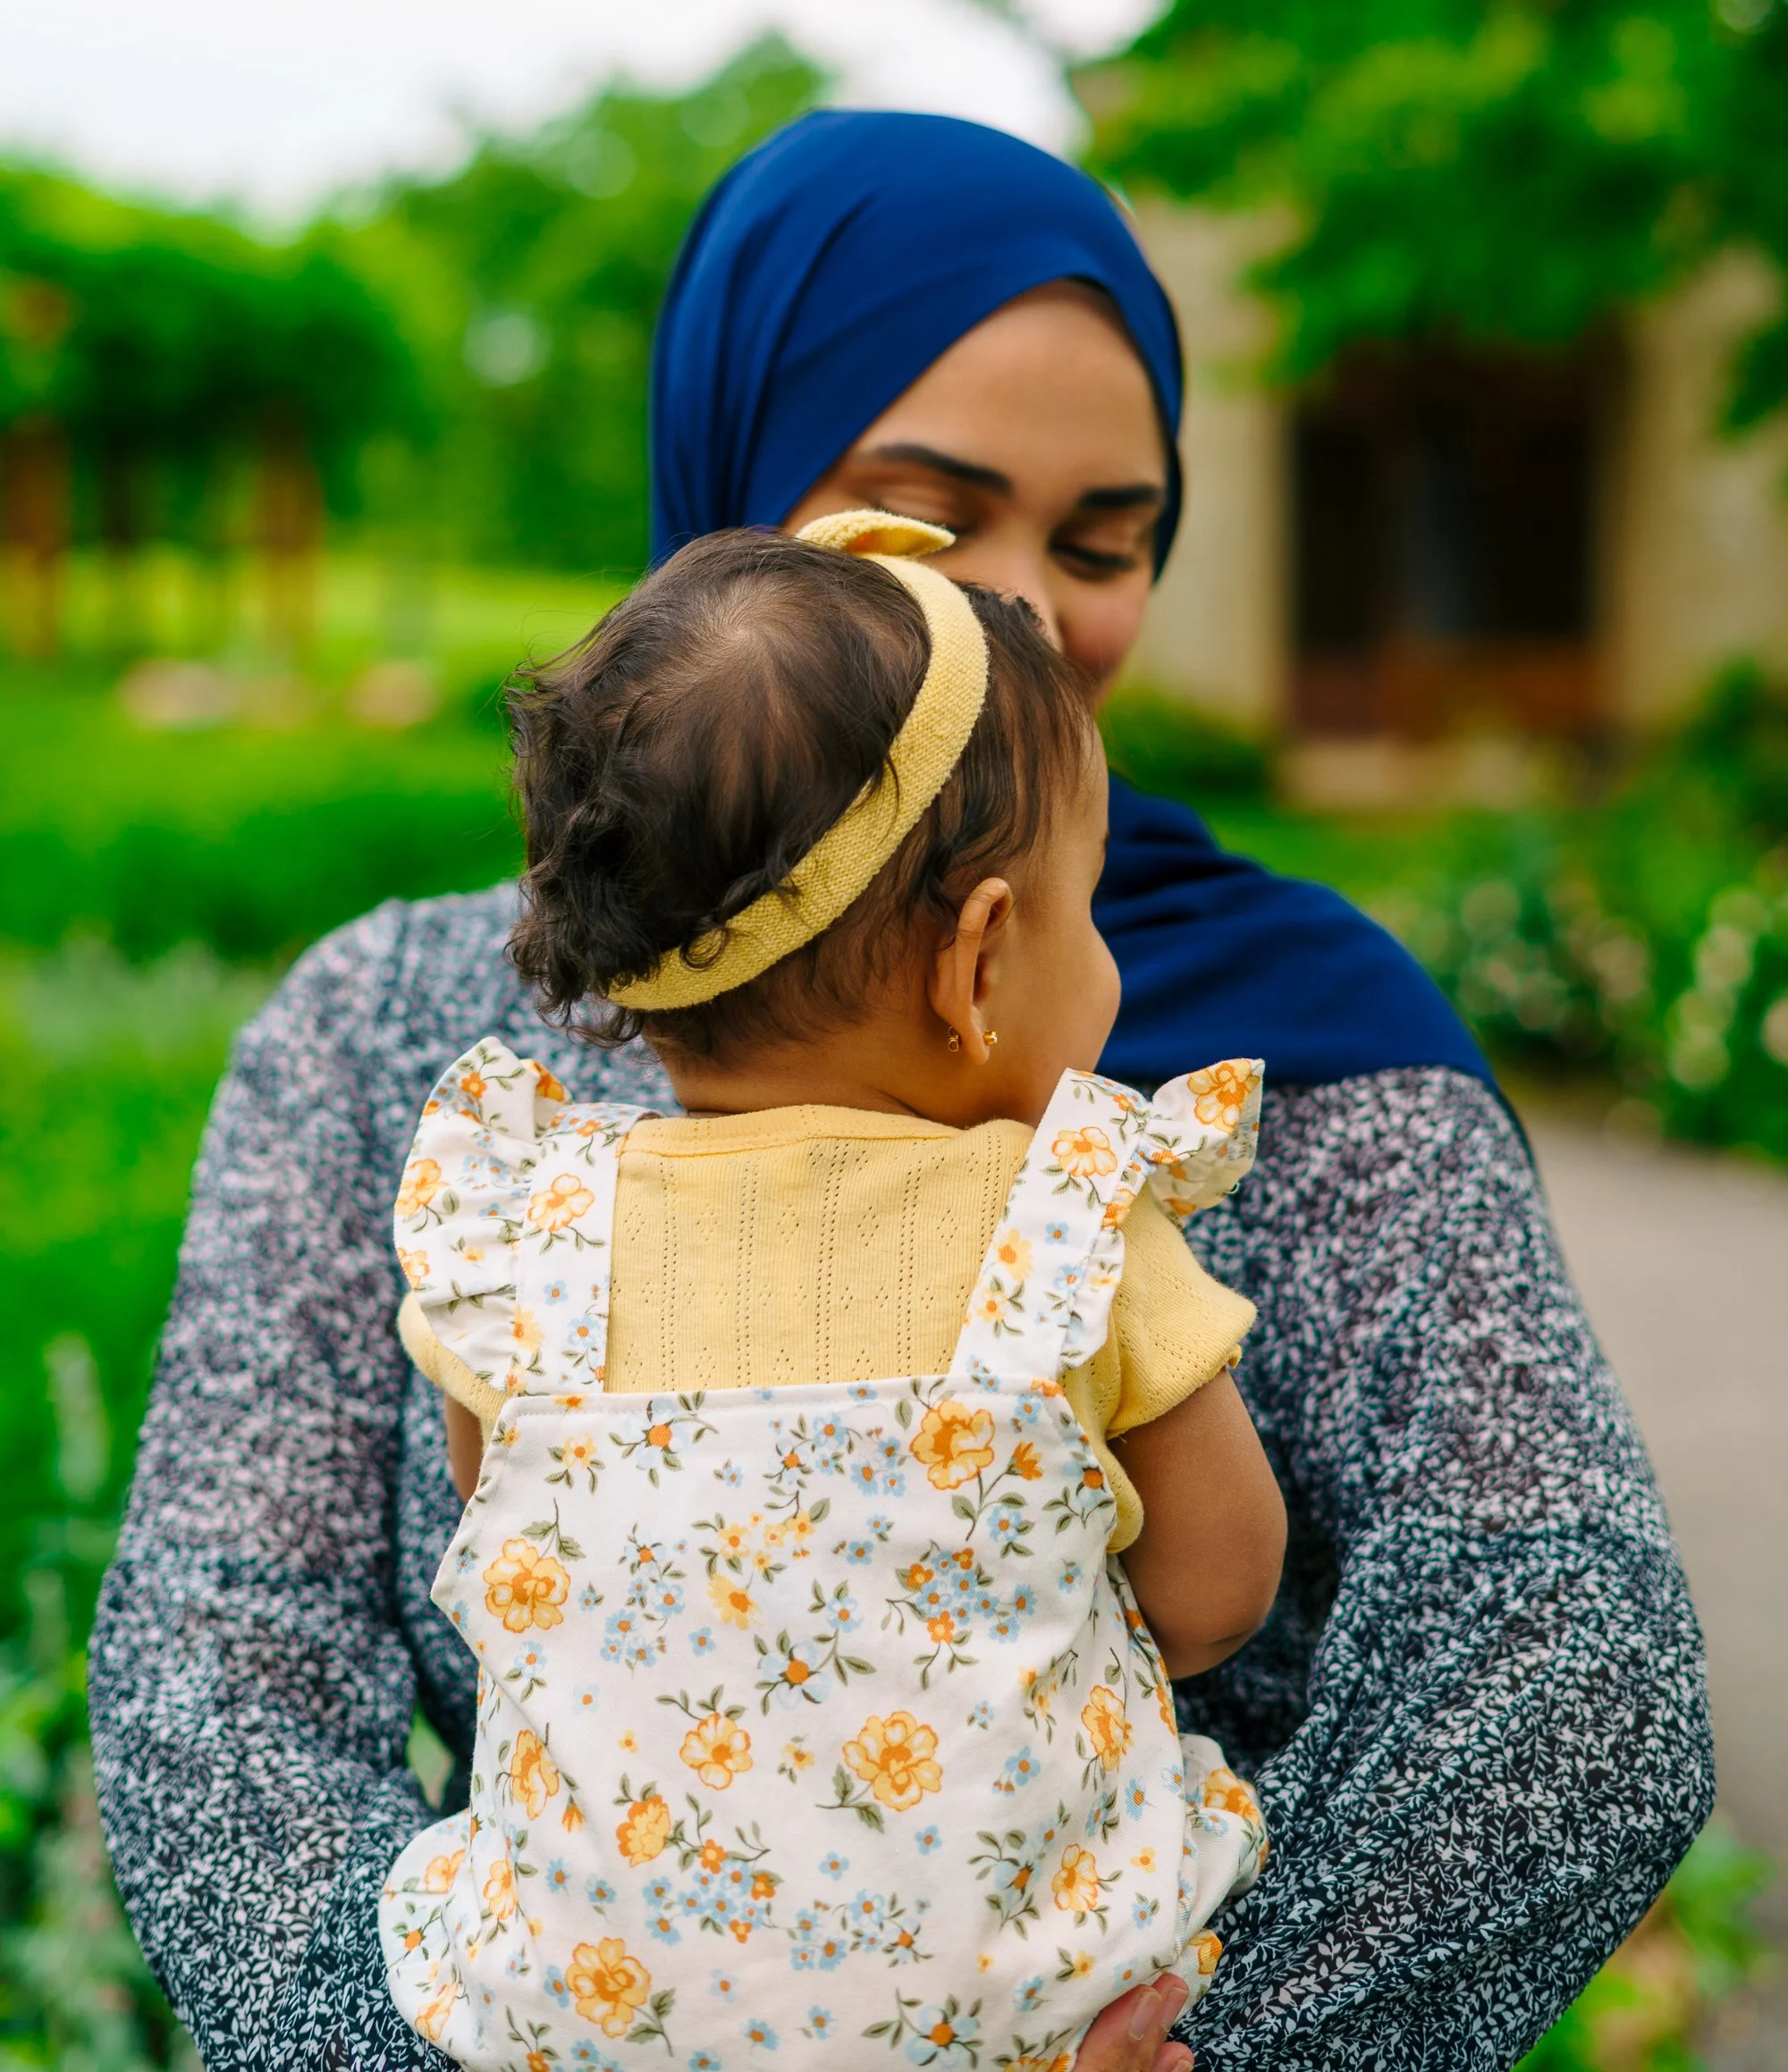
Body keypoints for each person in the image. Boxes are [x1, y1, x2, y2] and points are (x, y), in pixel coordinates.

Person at [90, 110, 1713, 2072]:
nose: (1024, 606)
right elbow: (221, 1655)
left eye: (1107, 540)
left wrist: (1184, 2043)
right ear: (726, 524)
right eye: (926, 520)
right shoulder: (386, 1040)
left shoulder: (1314, 1031)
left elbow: (1565, 1658)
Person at [381, 515, 1282, 2064]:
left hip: (585, 2028)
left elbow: (513, 1541)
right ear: (981, 962)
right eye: (1091, 908)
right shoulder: (1067, 1224)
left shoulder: (529, 1238)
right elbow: (1218, 1595)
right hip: (1017, 2027)